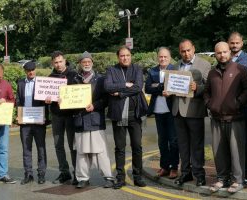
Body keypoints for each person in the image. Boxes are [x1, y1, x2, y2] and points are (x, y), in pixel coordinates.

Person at [204, 41, 247, 193]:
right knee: (219, 151)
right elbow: (206, 92)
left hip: (236, 118)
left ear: (229, 53)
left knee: (236, 151)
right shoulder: (212, 72)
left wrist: (238, 103)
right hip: (217, 118)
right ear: (215, 54)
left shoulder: (240, 69)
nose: (222, 55)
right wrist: (210, 104)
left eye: (225, 52)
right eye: (219, 52)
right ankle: (222, 179)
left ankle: (238, 181)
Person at [104, 46, 148, 189]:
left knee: (137, 146)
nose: (125, 58)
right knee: (120, 148)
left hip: (134, 115)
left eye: (127, 55)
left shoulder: (137, 69)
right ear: (118, 57)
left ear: (131, 56)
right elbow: (108, 87)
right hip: (118, 115)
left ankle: (137, 177)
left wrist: (120, 93)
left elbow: (138, 87)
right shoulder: (112, 70)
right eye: (122, 56)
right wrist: (125, 84)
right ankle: (120, 178)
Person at [71, 51, 114, 189]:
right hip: (80, 120)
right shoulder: (74, 79)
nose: (86, 64)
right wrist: (63, 101)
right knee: (81, 152)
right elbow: (69, 98)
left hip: (95, 119)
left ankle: (108, 177)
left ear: (92, 63)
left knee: (100, 151)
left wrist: (95, 105)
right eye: (84, 62)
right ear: (80, 64)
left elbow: (106, 99)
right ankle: (83, 178)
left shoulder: (101, 79)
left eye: (89, 61)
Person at [172, 39, 211, 186]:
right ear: (179, 51)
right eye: (183, 51)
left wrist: (198, 88)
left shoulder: (204, 64)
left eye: (188, 50)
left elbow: (209, 86)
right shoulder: (175, 65)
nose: (186, 53)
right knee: (183, 145)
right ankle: (186, 173)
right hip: (178, 111)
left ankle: (199, 174)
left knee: (197, 145)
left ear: (193, 49)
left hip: (194, 111)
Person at [145, 47, 179, 179]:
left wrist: (156, 86)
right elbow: (147, 88)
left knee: (174, 141)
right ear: (157, 57)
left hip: (171, 111)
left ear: (170, 58)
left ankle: (174, 167)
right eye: (160, 57)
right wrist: (161, 87)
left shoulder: (175, 69)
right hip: (158, 111)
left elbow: (176, 88)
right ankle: (164, 166)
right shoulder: (152, 71)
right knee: (162, 142)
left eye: (165, 57)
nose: (163, 59)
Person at [45, 51, 78, 184]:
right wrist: (46, 100)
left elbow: (78, 95)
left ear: (65, 61)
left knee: (73, 145)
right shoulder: (50, 77)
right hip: (56, 115)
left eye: (60, 61)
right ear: (53, 63)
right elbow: (46, 95)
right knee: (58, 145)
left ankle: (77, 173)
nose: (58, 64)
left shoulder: (74, 75)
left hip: (70, 116)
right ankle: (64, 173)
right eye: (56, 62)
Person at [228, 32, 247, 184]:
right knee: (234, 141)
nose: (234, 45)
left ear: (242, 43)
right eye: (232, 43)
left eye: (237, 43)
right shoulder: (224, 59)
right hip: (229, 109)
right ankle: (237, 170)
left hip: (246, 107)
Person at [16, 61, 49, 185]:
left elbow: (47, 102)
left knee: (41, 148)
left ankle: (41, 174)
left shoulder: (42, 83)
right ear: (25, 71)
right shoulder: (20, 83)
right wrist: (18, 114)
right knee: (26, 149)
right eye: (29, 70)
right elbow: (18, 100)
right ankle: (28, 174)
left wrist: (46, 113)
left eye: (33, 70)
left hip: (39, 120)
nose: (31, 72)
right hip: (25, 122)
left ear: (36, 69)